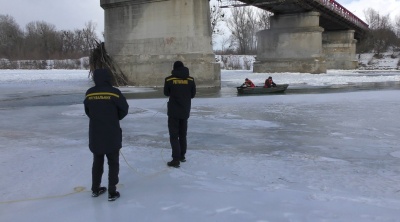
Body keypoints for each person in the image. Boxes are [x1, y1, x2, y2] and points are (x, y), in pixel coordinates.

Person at [84, 68, 129, 201]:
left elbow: (88, 111)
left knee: (97, 161)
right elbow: (124, 109)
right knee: (113, 162)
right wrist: (114, 118)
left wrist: (98, 118)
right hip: (111, 132)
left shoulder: (90, 93)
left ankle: (95, 189)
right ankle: (112, 191)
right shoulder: (114, 93)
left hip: (96, 133)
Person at [164, 61, 196, 168]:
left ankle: (175, 159)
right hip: (185, 111)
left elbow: (166, 93)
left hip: (173, 111)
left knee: (174, 136)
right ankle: (182, 155)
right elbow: (193, 94)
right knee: (183, 135)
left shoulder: (169, 80)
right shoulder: (190, 80)